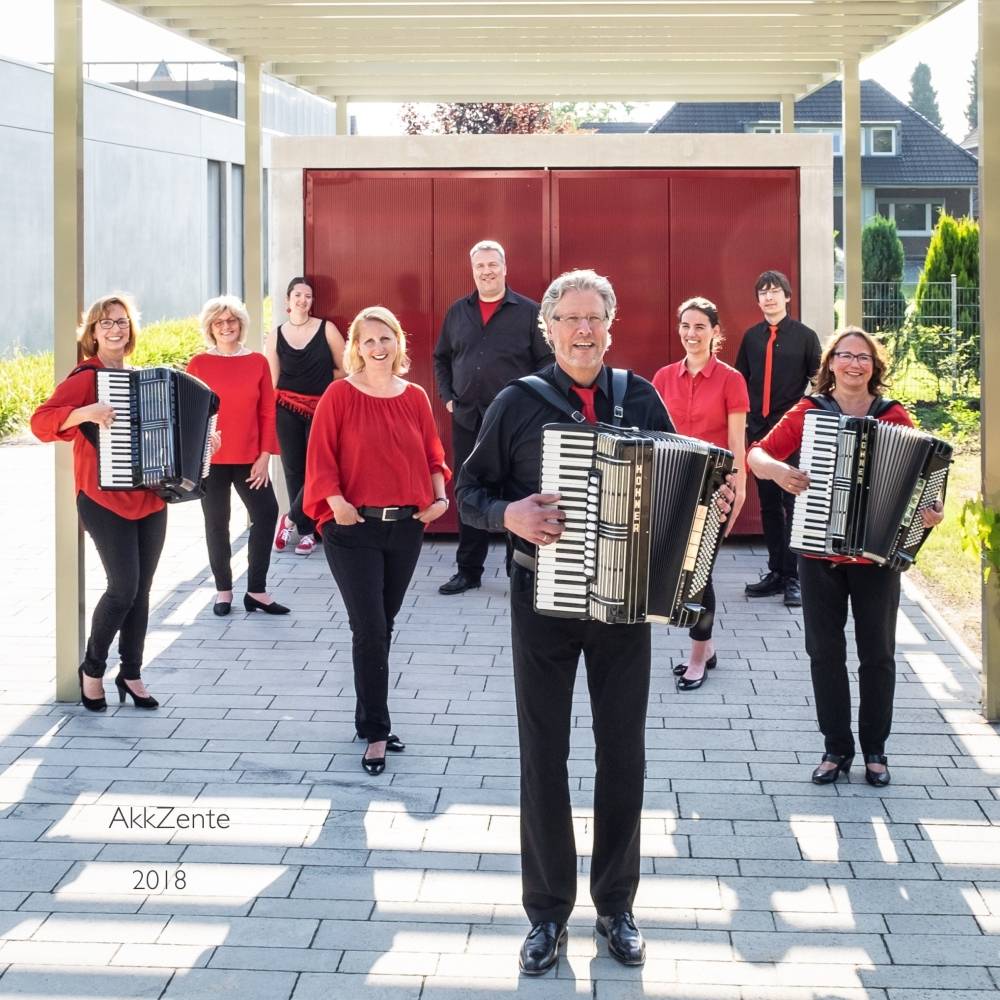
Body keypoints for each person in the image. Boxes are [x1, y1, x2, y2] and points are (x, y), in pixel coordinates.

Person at [457, 269, 734, 976]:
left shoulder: (637, 397)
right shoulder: (519, 403)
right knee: (542, 758)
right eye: (570, 318)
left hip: (623, 607)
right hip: (540, 603)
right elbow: (469, 491)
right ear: (549, 328)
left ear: (611, 327)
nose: (583, 330)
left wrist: (715, 506)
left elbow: (689, 488)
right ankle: (546, 913)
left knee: (624, 756)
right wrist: (507, 515)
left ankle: (617, 905)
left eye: (595, 319)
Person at [747, 327, 944, 788]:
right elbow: (756, 454)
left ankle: (875, 749)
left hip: (875, 559)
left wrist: (929, 512)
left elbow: (924, 479)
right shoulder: (809, 412)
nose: (855, 364)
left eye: (864, 358)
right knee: (824, 653)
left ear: (875, 367)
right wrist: (779, 470)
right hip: (818, 554)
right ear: (830, 363)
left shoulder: (894, 415)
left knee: (878, 654)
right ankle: (836, 747)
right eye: (846, 355)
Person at [304, 306, 450, 777]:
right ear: (355, 348)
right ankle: (375, 731)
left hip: (405, 527)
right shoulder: (339, 394)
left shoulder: (415, 397)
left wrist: (441, 497)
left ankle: (370, 715)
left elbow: (432, 453)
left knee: (381, 627)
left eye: (385, 338)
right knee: (369, 629)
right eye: (367, 340)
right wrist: (336, 501)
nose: (378, 347)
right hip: (352, 529)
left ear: (398, 343)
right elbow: (320, 454)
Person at [31, 293, 164, 711]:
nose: (115, 329)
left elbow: (162, 436)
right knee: (122, 588)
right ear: (92, 332)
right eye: (105, 323)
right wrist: (84, 411)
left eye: (122, 322)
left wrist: (202, 444)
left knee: (141, 591)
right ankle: (92, 669)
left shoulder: (143, 377)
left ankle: (132, 672)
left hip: (148, 498)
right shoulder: (86, 377)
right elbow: (41, 421)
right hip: (101, 497)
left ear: (131, 330)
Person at [433, 239, 551, 596]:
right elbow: (441, 358)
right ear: (473, 270)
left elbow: (548, 363)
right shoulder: (458, 312)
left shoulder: (530, 313)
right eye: (480, 266)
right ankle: (468, 571)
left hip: (514, 423)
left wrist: (530, 404)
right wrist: (448, 398)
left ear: (504, 267)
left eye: (492, 265)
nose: (486, 271)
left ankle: (520, 570)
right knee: (471, 492)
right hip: (468, 418)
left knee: (518, 492)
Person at [652, 297, 748, 691]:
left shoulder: (731, 380)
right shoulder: (661, 378)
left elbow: (737, 442)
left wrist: (739, 491)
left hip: (716, 489)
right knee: (679, 571)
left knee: (699, 575)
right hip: (674, 486)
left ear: (715, 333)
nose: (691, 334)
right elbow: (654, 436)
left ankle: (696, 657)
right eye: (686, 326)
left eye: (700, 327)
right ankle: (706, 649)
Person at [187, 296, 288, 617]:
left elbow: (268, 412)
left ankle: (256, 590)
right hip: (210, 460)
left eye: (231, 321)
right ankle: (223, 590)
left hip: (250, 458)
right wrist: (202, 443)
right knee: (217, 524)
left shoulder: (257, 361)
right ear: (210, 328)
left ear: (241, 324)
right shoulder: (199, 364)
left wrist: (265, 456)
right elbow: (189, 413)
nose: (226, 327)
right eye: (219, 322)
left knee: (267, 514)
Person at [735, 270, 821, 608]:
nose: (768, 297)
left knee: (792, 504)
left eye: (775, 291)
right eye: (762, 293)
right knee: (769, 505)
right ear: (757, 300)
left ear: (787, 296)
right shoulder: (752, 337)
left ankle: (794, 578)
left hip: (791, 430)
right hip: (759, 431)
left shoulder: (805, 336)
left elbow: (820, 381)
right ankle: (775, 572)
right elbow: (740, 381)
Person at [266, 276, 345, 557]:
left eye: (308, 296)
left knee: (316, 470)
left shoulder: (327, 329)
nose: (303, 300)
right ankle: (307, 533)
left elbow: (346, 368)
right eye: (297, 295)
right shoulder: (275, 334)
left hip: (322, 408)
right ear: (288, 300)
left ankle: (291, 520)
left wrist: (320, 378)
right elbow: (271, 381)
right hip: (285, 408)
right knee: (293, 470)